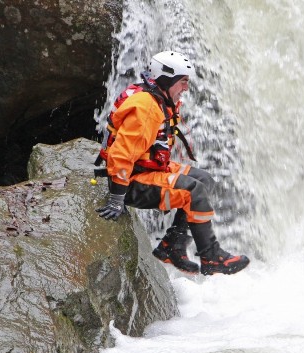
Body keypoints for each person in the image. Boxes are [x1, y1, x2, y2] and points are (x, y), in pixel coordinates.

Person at [94, 51, 249, 275]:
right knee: (194, 191)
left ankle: (172, 246)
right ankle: (210, 255)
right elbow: (121, 155)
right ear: (167, 80)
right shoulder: (146, 107)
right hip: (131, 182)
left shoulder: (156, 98)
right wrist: (117, 199)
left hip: (145, 170)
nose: (186, 88)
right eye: (183, 81)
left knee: (203, 180)